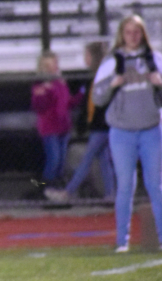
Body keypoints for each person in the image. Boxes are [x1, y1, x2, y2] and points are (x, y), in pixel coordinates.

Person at [92, 15, 162, 253]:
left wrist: (161, 84)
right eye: (128, 32)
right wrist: (113, 83)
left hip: (151, 129)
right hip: (122, 132)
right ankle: (122, 241)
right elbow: (97, 97)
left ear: (143, 34)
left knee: (155, 185)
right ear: (121, 35)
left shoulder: (156, 59)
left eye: (137, 32)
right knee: (125, 186)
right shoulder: (112, 61)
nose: (133, 37)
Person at [46, 41, 115, 201]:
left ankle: (67, 192)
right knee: (104, 161)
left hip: (102, 125)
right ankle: (110, 194)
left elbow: (99, 104)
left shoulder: (101, 77)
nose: (85, 58)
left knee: (88, 158)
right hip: (100, 124)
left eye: (87, 55)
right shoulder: (96, 77)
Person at [32, 51, 82, 194]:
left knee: (61, 162)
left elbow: (68, 103)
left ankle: (58, 190)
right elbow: (38, 106)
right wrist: (45, 91)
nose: (54, 66)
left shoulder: (60, 81)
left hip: (63, 126)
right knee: (53, 159)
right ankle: (47, 189)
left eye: (55, 63)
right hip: (50, 127)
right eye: (51, 64)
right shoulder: (40, 83)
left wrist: (82, 94)